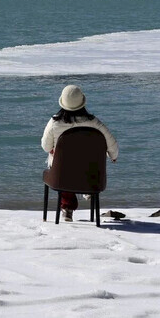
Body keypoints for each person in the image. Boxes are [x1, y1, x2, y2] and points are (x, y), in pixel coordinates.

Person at [41, 84, 118, 221]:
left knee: (60, 163)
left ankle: (68, 207)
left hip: (63, 177)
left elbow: (46, 147)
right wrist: (113, 156)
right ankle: (88, 191)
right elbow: (112, 145)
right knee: (87, 163)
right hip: (91, 176)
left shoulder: (55, 122)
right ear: (82, 102)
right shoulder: (94, 123)